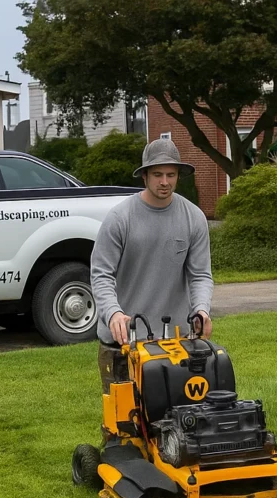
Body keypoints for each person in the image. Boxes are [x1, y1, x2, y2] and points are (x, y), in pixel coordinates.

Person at [90, 138, 214, 395]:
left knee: (175, 422)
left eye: (171, 174)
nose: (165, 182)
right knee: (123, 425)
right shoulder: (119, 219)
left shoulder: (194, 218)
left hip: (174, 341)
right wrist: (113, 313)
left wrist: (201, 310)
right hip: (123, 343)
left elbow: (200, 275)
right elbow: (101, 274)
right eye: (157, 174)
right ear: (144, 176)